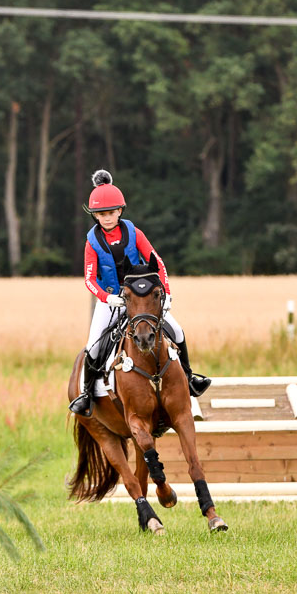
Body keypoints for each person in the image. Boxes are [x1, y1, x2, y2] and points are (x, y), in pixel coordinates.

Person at [68, 169, 211, 417]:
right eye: (101, 214)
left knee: (176, 331)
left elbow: (157, 261)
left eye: (111, 212)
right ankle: (87, 395)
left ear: (120, 211)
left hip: (143, 299)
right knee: (92, 347)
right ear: (95, 216)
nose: (107, 218)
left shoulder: (134, 233)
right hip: (111, 301)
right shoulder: (91, 242)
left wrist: (165, 293)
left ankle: (189, 378)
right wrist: (107, 298)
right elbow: (89, 280)